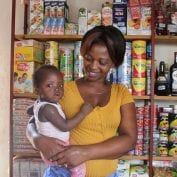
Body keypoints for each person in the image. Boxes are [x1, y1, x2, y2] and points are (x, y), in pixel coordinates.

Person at [27, 25, 137, 177]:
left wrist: (85, 153)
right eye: (88, 58)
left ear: (114, 63)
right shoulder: (63, 91)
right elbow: (34, 120)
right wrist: (37, 139)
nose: (92, 66)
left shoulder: (121, 93)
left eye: (102, 62)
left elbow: (129, 140)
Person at [29, 65, 93, 177]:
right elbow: (65, 126)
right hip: (58, 149)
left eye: (61, 85)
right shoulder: (49, 108)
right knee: (77, 164)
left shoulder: (40, 103)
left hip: (54, 149)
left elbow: (29, 111)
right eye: (50, 85)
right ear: (37, 90)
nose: (57, 89)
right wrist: (83, 113)